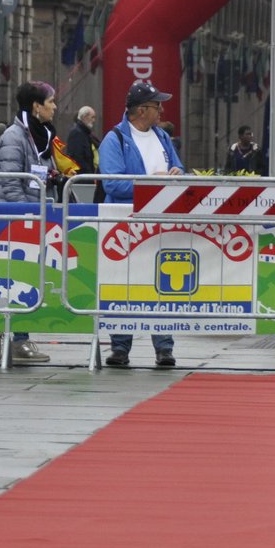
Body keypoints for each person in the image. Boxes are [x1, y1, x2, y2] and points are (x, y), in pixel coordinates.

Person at [97, 80, 185, 368]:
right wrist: (153, 185)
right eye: (157, 105)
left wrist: (175, 173)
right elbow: (112, 182)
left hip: (159, 221)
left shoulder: (162, 137)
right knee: (122, 283)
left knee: (160, 283)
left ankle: (164, 347)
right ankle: (120, 347)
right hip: (124, 223)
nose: (161, 110)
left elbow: (179, 167)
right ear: (143, 110)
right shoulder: (115, 139)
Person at [0, 82, 60, 364]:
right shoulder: (14, 137)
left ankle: (20, 339)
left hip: (34, 214)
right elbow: (9, 182)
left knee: (25, 278)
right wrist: (26, 214)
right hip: (16, 216)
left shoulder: (42, 136)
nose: (54, 106)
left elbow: (39, 173)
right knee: (9, 277)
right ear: (36, 106)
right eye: (50, 101)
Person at [63, 105, 104, 202]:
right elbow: (77, 157)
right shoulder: (77, 133)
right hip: (81, 180)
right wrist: (90, 175)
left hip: (87, 178)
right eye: (92, 117)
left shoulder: (86, 134)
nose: (94, 120)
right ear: (85, 117)